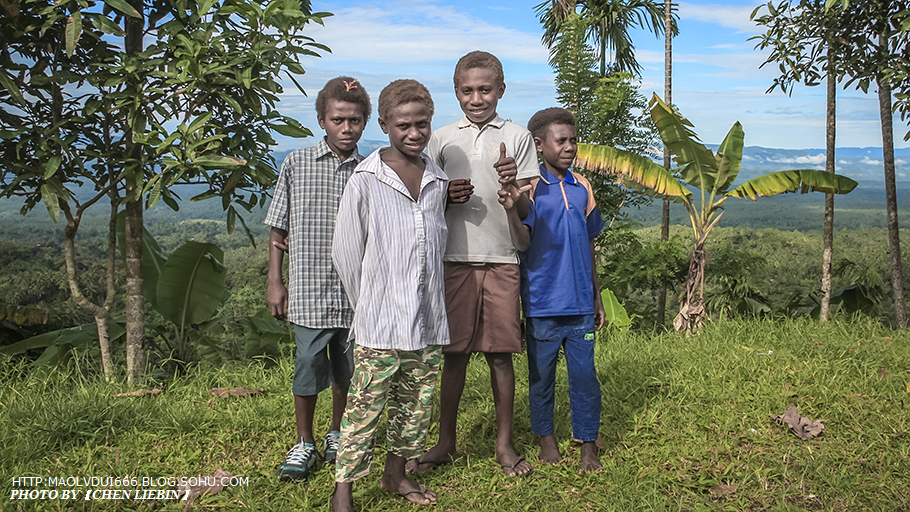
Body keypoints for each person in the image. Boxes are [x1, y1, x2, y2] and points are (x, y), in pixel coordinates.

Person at [407, 50, 536, 478]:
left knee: (501, 355)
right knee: (454, 355)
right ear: (456, 91)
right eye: (467, 90)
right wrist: (445, 196)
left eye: (485, 89)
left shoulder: (517, 137)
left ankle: (504, 443)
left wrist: (513, 189)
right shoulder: (441, 139)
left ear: (500, 90)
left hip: (502, 258)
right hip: (453, 259)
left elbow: (529, 202)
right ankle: (445, 441)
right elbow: (423, 200)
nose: (476, 98)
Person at [330, 79, 449, 511]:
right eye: (403, 125)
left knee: (416, 405)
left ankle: (396, 474)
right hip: (379, 320)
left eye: (422, 124)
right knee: (364, 408)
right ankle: (343, 490)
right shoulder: (366, 179)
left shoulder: (437, 177)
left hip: (427, 317)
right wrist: (369, 304)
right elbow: (345, 251)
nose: (414, 133)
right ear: (384, 124)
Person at [264, 76, 371, 482]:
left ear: (365, 123)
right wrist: (276, 282)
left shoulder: (369, 169)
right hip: (308, 287)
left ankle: (337, 433)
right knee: (308, 363)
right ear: (322, 120)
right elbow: (278, 229)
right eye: (338, 119)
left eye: (355, 121)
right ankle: (304, 441)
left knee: (347, 368)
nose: (347, 128)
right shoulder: (297, 163)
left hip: (354, 291)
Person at [519, 107, 606, 472]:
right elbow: (519, 243)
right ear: (539, 145)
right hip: (541, 303)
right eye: (561, 140)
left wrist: (596, 294)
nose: (570, 147)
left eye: (573, 139)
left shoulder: (582, 185)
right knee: (542, 378)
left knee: (585, 376)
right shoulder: (529, 189)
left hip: (581, 303)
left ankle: (588, 442)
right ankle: (546, 438)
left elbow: (589, 243)